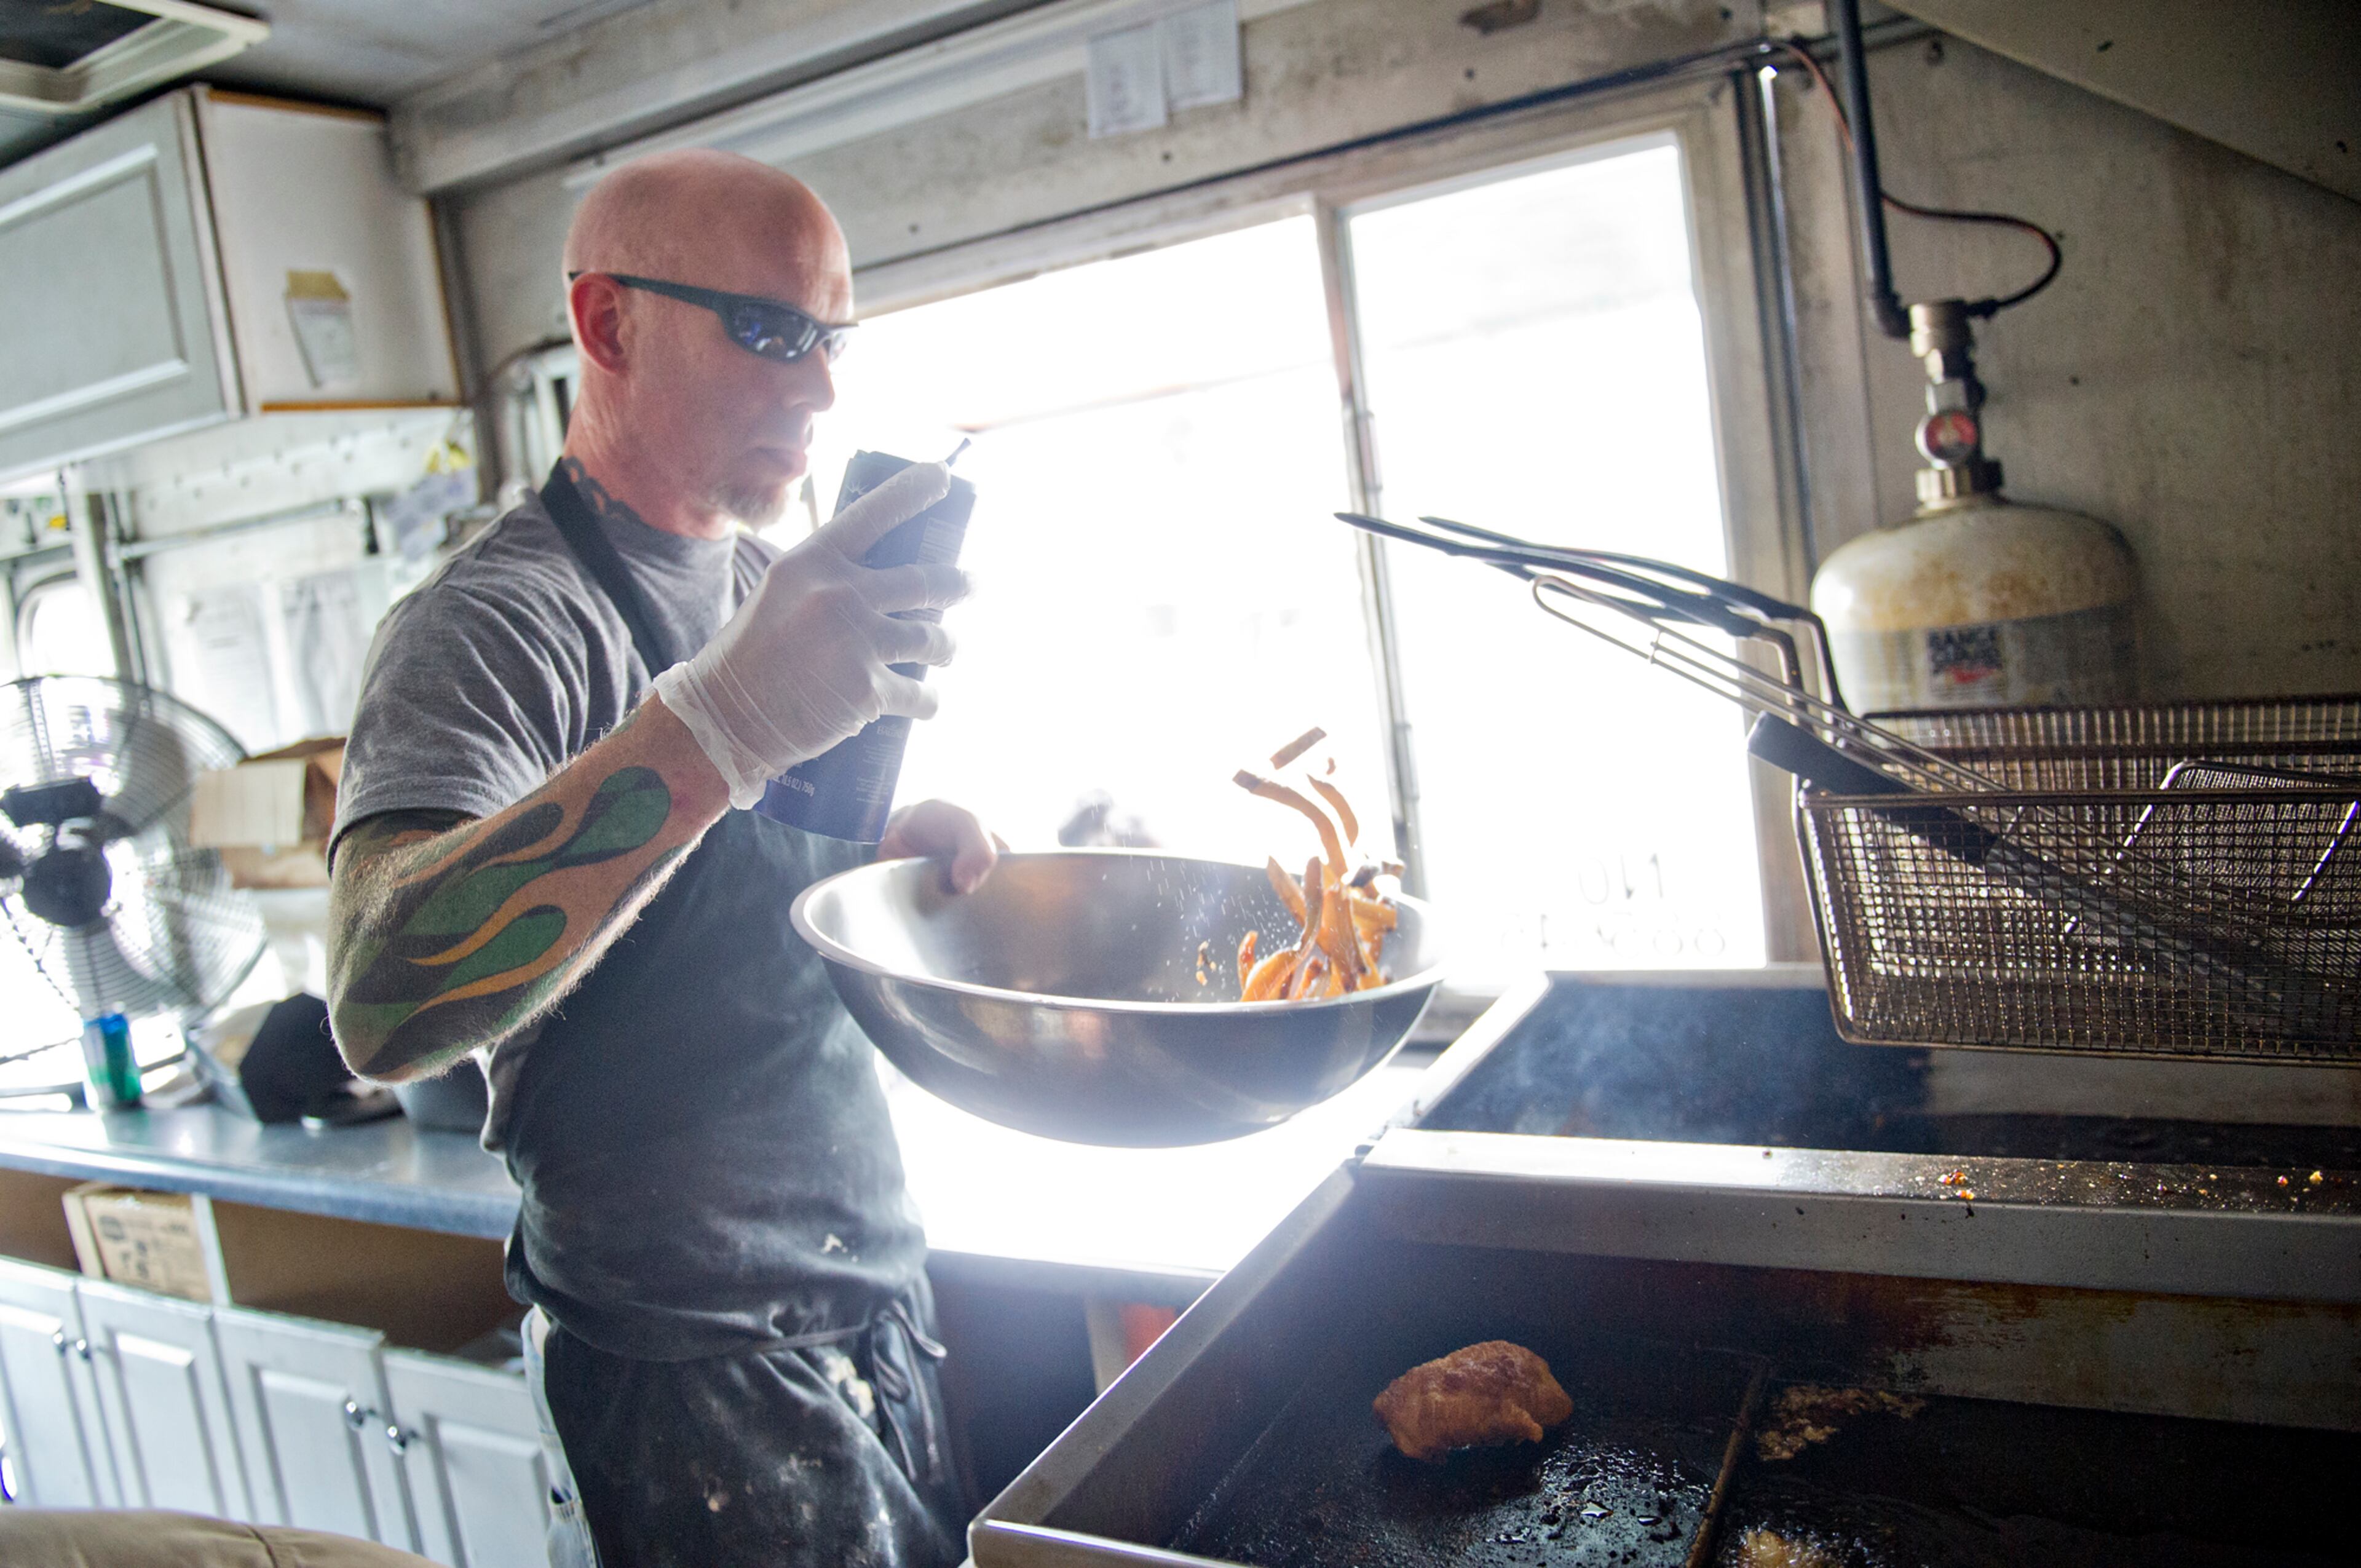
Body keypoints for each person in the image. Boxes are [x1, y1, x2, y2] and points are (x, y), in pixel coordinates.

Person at [325, 149, 993, 1568]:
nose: (817, 387)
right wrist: (727, 721)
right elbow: (383, 1005)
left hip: (870, 1292)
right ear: (607, 324)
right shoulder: (496, 623)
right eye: (767, 331)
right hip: (684, 1366)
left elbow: (736, 887)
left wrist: (884, 856)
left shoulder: (769, 587)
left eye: (831, 338)